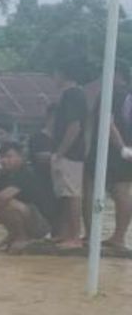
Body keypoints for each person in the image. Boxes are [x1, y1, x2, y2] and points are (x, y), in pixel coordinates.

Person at [85, 66, 132, 249]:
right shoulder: (126, 94)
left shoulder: (110, 94)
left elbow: (107, 123)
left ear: (117, 75)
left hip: (112, 150)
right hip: (124, 150)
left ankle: (93, 234)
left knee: (92, 187)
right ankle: (119, 237)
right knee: (122, 192)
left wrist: (121, 148)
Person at [0, 141, 55, 252]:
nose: (4, 160)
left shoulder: (25, 173)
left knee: (4, 202)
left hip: (42, 222)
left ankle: (22, 236)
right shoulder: (5, 174)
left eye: (9, 156)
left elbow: (3, 197)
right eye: (2, 157)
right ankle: (14, 234)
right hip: (28, 215)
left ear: (21, 157)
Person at [51, 63, 88, 249]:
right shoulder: (71, 94)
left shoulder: (73, 94)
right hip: (67, 153)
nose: (53, 77)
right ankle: (67, 233)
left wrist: (60, 152)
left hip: (70, 154)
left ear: (62, 73)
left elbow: (74, 126)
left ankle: (75, 236)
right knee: (65, 194)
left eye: (55, 73)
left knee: (72, 195)